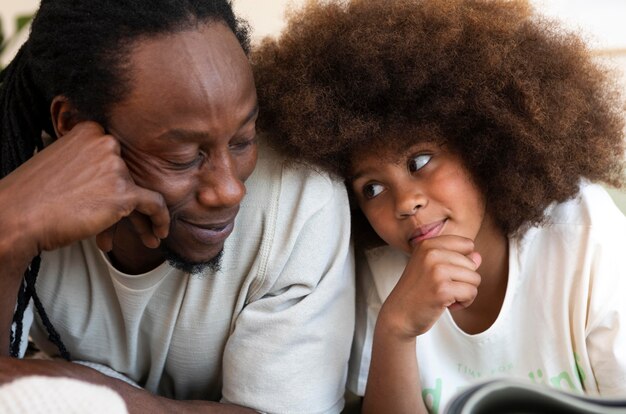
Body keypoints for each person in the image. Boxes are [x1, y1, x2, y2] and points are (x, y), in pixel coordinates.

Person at [252, 0, 626, 413]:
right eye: (372, 188)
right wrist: (395, 329)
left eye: (420, 162)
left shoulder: (586, 238)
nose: (406, 203)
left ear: (481, 144)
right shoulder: (379, 273)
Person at [0, 1, 355, 413]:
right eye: (182, 157)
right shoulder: (16, 174)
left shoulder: (296, 202)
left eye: (243, 140)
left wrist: (85, 387)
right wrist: (9, 230)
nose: (229, 190)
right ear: (72, 125)